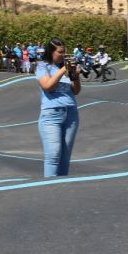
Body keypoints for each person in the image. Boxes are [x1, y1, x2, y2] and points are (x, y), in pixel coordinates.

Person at [36, 38, 81, 177]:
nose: (63, 54)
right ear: (51, 52)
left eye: (64, 52)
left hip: (71, 114)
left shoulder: (66, 68)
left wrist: (75, 76)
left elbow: (76, 91)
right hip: (52, 115)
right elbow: (47, 86)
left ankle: (62, 186)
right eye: (60, 52)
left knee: (65, 157)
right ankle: (49, 188)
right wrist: (63, 70)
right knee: (53, 155)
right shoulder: (43, 66)